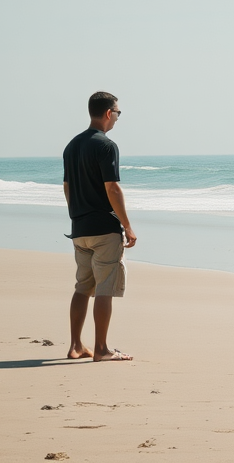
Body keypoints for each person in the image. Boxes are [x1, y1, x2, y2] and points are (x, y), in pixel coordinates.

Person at [62, 91, 137, 362]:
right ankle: (102, 349)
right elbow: (112, 188)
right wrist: (127, 226)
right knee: (105, 289)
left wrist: (76, 216)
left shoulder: (71, 146)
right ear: (108, 113)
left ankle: (76, 345)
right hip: (104, 230)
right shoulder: (106, 145)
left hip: (79, 229)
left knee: (82, 287)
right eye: (118, 112)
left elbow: (67, 187)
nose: (117, 117)